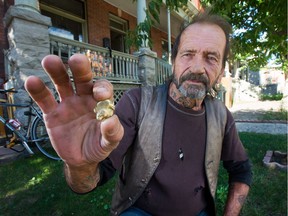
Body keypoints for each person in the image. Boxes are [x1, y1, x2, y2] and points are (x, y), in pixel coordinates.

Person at [25, 11, 252, 216]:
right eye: (188, 54)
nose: (197, 67)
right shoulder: (137, 102)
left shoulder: (222, 116)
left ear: (221, 70)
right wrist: (79, 165)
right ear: (173, 61)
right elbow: (94, 177)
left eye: (211, 58)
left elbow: (241, 170)